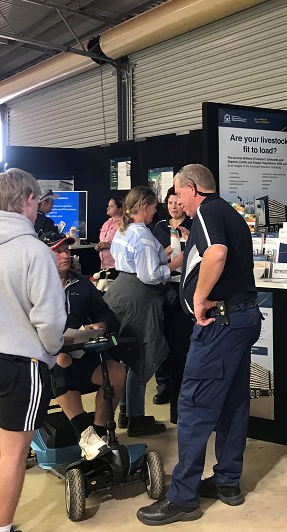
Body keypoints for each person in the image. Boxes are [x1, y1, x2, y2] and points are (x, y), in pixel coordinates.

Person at [137, 164, 261, 526]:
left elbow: (216, 254)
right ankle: (227, 482)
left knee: (193, 406)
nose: (177, 202)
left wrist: (200, 298)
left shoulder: (207, 212)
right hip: (243, 319)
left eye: (179, 194)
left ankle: (183, 498)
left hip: (220, 323)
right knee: (233, 402)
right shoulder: (230, 213)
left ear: (192, 188)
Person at [0, 168, 67, 532]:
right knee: (16, 453)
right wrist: (51, 350)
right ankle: (2, 530)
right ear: (29, 200)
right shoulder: (34, 250)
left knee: (0, 442)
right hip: (21, 363)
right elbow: (50, 319)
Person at [105, 186, 183, 437]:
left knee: (126, 357)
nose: (156, 212)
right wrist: (173, 264)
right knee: (142, 358)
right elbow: (150, 275)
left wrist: (162, 254)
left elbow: (131, 259)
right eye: (154, 207)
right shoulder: (144, 235)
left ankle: (126, 413)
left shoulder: (123, 230)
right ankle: (137, 419)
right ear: (145, 206)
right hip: (140, 299)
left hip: (120, 293)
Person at [42, 231, 125, 460]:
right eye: (58, 251)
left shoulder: (83, 284)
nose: (65, 255)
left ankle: (98, 433)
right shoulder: (35, 285)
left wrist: (102, 325)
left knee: (117, 372)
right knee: (62, 357)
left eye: (67, 250)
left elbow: (106, 314)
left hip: (81, 351)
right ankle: (85, 434)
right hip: (47, 359)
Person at [151, 187, 193, 405]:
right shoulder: (159, 227)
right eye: (170, 203)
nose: (174, 207)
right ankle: (164, 385)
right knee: (162, 335)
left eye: (177, 202)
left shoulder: (194, 225)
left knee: (183, 337)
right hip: (163, 285)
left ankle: (185, 384)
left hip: (186, 286)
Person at [95, 196, 122, 273]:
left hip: (117, 267)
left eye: (111, 206)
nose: (108, 208)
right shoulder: (106, 223)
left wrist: (109, 245)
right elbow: (103, 242)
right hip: (104, 265)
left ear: (120, 209)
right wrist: (99, 246)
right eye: (108, 205)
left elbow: (127, 245)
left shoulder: (124, 224)